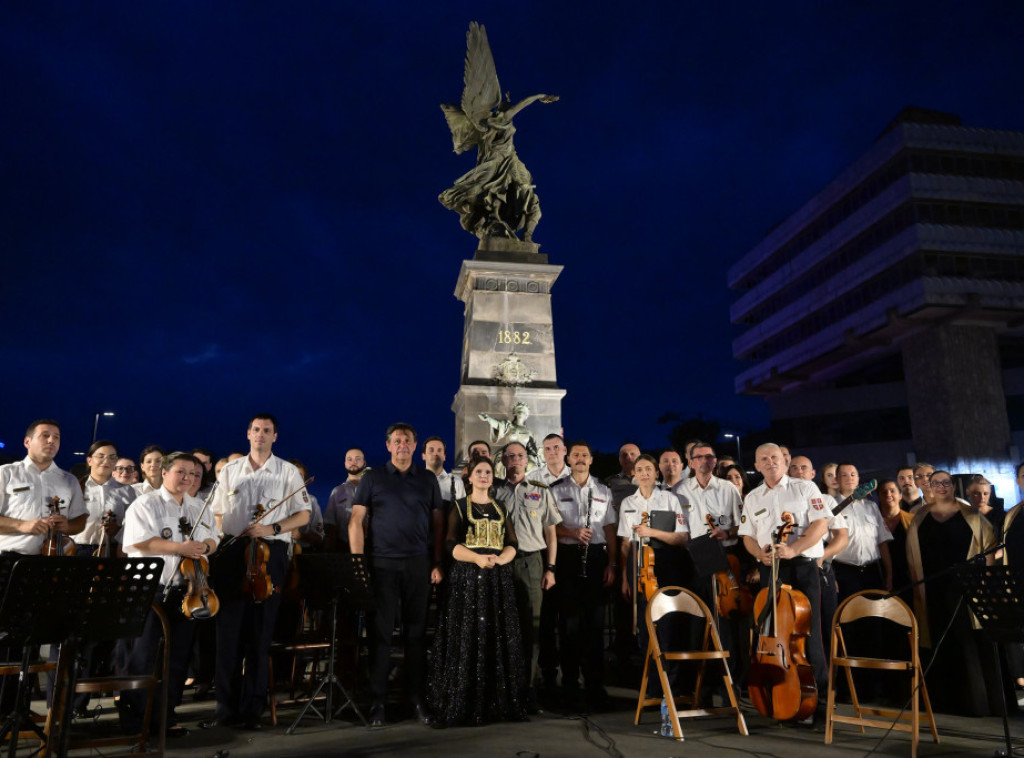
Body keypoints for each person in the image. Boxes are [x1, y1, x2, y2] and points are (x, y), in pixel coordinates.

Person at [205, 414, 310, 730]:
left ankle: (253, 709)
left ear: (275, 436)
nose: (260, 435)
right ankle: (226, 708)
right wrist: (232, 531)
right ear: (248, 433)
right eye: (256, 430)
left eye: (267, 431)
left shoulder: (287, 471)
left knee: (260, 635)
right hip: (234, 552)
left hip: (269, 552)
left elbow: (303, 515)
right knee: (229, 635)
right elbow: (217, 513)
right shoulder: (231, 471)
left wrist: (271, 526)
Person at [349, 423, 444, 727]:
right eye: (397, 441)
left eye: (407, 441)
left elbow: (438, 525)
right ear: (388, 445)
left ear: (415, 446)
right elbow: (356, 521)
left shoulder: (427, 479)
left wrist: (437, 562)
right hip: (382, 566)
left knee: (416, 637)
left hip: (418, 565)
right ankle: (377, 703)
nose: (402, 445)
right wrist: (358, 563)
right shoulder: (372, 477)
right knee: (381, 637)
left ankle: (415, 700)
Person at [120, 452, 218, 739]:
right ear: (164, 472)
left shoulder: (198, 506)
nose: (187, 478)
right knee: (143, 657)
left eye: (192, 473)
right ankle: (135, 721)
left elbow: (214, 537)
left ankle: (166, 715)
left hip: (187, 589)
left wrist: (205, 548)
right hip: (150, 590)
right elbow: (138, 542)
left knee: (177, 658)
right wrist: (181, 548)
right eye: (181, 472)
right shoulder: (145, 504)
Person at [429, 456, 527, 726]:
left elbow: (512, 541)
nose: (484, 475)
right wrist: (476, 559)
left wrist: (501, 559)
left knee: (497, 634)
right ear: (469, 477)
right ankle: (464, 702)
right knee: (469, 634)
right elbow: (450, 543)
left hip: (497, 578)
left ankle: (498, 703)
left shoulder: (501, 506)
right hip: (468, 578)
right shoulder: (460, 507)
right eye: (479, 472)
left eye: (488, 472)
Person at [739, 443, 830, 727]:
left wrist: (795, 548)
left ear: (784, 460)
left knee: (809, 636)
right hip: (772, 569)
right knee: (775, 634)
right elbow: (747, 536)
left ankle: (822, 703)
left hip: (801, 566)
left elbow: (821, 525)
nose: (770, 462)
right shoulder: (753, 497)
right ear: (757, 465)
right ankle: (784, 700)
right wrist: (759, 554)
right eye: (763, 459)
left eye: (774, 457)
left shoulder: (805, 488)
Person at [907, 470, 1001, 716]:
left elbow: (990, 550)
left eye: (946, 483)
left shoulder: (971, 515)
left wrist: (987, 582)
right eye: (935, 483)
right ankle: (945, 703)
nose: (941, 487)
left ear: (953, 486)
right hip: (933, 591)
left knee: (967, 642)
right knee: (940, 641)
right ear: (929, 486)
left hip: (967, 589)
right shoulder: (920, 518)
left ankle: (976, 704)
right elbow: (913, 556)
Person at [550, 441, 617, 711]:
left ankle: (595, 686)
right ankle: (568, 686)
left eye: (584, 455)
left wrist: (612, 564)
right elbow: (549, 527)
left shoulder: (603, 490)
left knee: (595, 626)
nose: (579, 459)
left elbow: (610, 528)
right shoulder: (556, 490)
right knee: (569, 627)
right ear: (568, 458)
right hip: (567, 559)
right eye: (575, 455)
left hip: (597, 559)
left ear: (591, 460)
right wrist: (571, 533)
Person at [494, 441, 560, 712]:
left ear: (527, 461)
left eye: (520, 456)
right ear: (504, 461)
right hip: (500, 563)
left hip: (532, 562)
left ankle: (528, 689)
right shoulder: (494, 491)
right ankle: (502, 688)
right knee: (502, 625)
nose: (516, 460)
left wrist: (551, 568)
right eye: (511, 456)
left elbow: (551, 533)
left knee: (531, 628)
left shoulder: (540, 491)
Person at [0, 419, 87, 554]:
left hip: (53, 560)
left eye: (56, 437)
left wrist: (68, 526)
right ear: (27, 442)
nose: (51, 440)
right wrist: (22, 525)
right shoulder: (5, 473)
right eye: (45, 435)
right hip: (10, 558)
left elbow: (80, 520)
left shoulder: (70, 480)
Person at [832, 463, 892, 597]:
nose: (850, 478)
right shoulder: (831, 506)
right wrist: (831, 577)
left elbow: (882, 542)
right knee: (849, 615)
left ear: (858, 479)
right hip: (845, 573)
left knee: (875, 614)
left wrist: (889, 574)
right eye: (844, 475)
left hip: (873, 572)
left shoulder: (871, 507)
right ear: (836, 480)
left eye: (853, 475)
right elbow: (824, 544)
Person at [76, 439, 136, 557]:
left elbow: (134, 525)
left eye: (112, 457)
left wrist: (118, 529)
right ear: (89, 460)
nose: (106, 461)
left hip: (111, 551)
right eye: (101, 456)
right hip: (79, 550)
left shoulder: (127, 491)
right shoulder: (76, 487)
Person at [324, 448, 367, 552]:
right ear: (345, 464)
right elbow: (331, 524)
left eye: (357, 459)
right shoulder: (337, 492)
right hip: (343, 547)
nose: (353, 462)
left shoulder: (374, 489)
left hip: (371, 547)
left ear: (364, 463)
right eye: (349, 459)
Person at [877, 479, 914, 601]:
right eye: (883, 492)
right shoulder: (873, 522)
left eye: (892, 491)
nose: (888, 494)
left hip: (908, 576)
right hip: (881, 576)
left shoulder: (912, 520)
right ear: (879, 497)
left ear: (900, 496)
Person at [422, 436, 466, 511]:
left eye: (439, 450)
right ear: (423, 456)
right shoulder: (415, 481)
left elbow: (462, 512)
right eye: (431, 450)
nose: (435, 453)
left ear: (444, 456)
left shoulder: (456, 482)